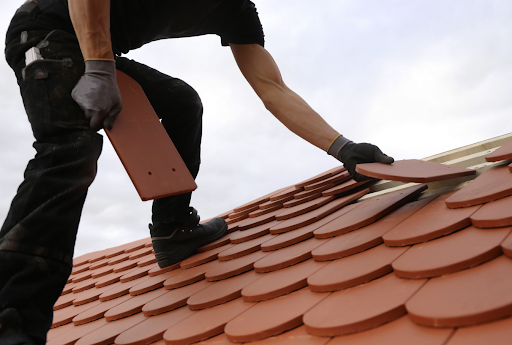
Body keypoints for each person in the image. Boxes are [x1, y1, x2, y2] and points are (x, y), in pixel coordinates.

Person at [0, 0, 394, 344]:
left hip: (97, 45)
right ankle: (11, 316)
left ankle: (173, 229)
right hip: (46, 28)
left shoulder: (237, 11)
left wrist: (342, 147)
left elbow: (272, 88)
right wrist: (99, 67)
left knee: (181, 101)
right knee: (71, 149)